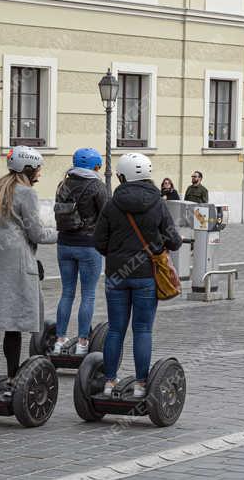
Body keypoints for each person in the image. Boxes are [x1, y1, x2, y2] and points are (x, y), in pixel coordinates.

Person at [0, 146, 57, 385]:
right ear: (29, 168)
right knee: (13, 324)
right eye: (38, 168)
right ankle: (13, 377)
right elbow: (36, 233)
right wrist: (63, 233)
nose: (40, 173)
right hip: (14, 268)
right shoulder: (27, 193)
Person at [94, 153, 182, 398]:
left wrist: (115, 254)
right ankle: (142, 384)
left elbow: (99, 241)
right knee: (142, 330)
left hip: (116, 276)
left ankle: (109, 382)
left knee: (115, 330)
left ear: (122, 176)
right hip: (146, 276)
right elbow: (174, 241)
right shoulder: (158, 203)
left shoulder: (112, 204)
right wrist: (156, 245)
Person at [53, 148, 109, 355]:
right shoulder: (97, 186)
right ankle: (83, 342)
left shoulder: (63, 184)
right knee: (88, 295)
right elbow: (106, 215)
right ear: (95, 166)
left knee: (67, 292)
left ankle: (59, 340)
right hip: (88, 245)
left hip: (64, 243)